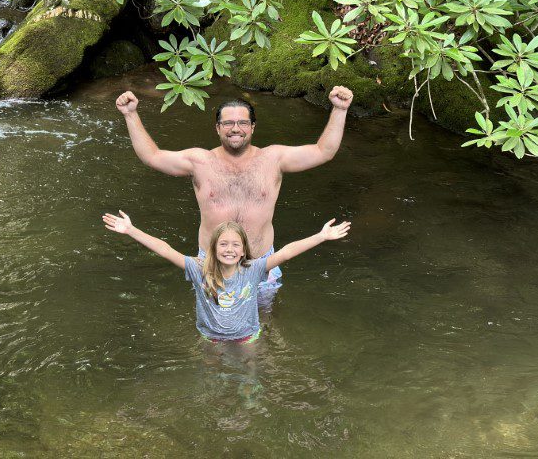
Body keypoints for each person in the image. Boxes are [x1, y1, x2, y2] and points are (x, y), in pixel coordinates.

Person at [115, 87, 354, 302]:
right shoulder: (199, 161)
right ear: (218, 128)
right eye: (228, 123)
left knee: (263, 323)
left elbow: (324, 151)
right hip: (212, 266)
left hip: (261, 264)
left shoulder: (274, 158)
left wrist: (340, 109)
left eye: (242, 122)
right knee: (214, 329)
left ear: (252, 127)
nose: (235, 129)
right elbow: (152, 156)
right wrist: (130, 114)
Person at [102, 211, 350, 342]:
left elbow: (285, 253)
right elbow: (166, 250)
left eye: (235, 245)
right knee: (212, 375)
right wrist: (132, 230)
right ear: (213, 249)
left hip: (247, 336)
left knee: (250, 374)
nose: (229, 249)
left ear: (243, 250)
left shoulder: (254, 270)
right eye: (223, 244)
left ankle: (250, 397)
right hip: (210, 337)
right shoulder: (199, 269)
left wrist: (321, 236)